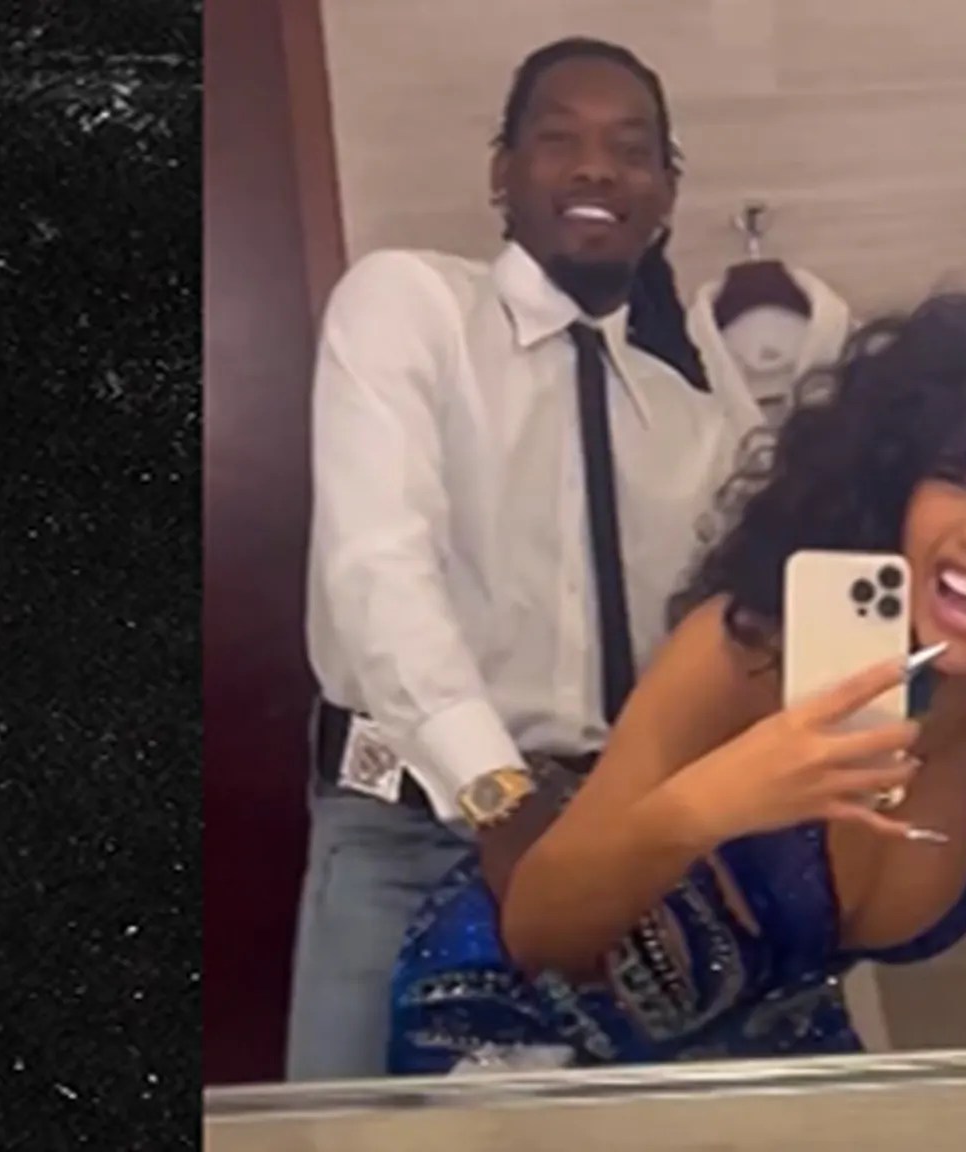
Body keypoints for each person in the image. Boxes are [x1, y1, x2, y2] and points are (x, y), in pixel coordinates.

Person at [386, 291, 966, 1072]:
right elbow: (540, 931)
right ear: (893, 490)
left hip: (756, 1064)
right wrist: (718, 798)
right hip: (515, 1038)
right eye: (953, 478)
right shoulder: (747, 656)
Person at [286, 36, 755, 1080]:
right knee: (349, 1135)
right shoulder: (407, 306)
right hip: (406, 831)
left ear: (666, 191)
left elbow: (713, 644)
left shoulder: (690, 419)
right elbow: (378, 569)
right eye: (558, 139)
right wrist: (499, 798)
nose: (596, 168)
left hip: (611, 846)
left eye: (630, 149)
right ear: (502, 172)